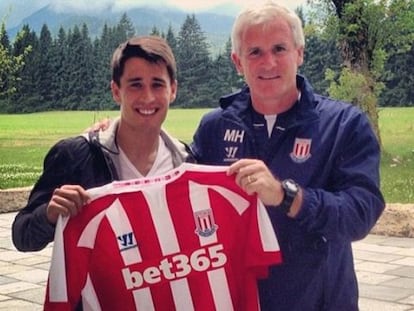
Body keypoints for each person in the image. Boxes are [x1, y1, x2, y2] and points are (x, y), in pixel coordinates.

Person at [190, 2, 385, 310]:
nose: (268, 63)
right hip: (239, 300)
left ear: (300, 53)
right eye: (254, 52)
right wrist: (115, 133)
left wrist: (287, 196)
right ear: (237, 61)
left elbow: (360, 214)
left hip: (322, 302)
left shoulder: (344, 124)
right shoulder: (215, 127)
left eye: (279, 49)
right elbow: (179, 193)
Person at [12, 35, 194, 252]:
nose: (147, 97)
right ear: (116, 91)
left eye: (157, 84)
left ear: (172, 90)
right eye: (135, 85)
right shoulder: (75, 156)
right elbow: (22, 236)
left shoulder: (186, 161)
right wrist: (49, 215)